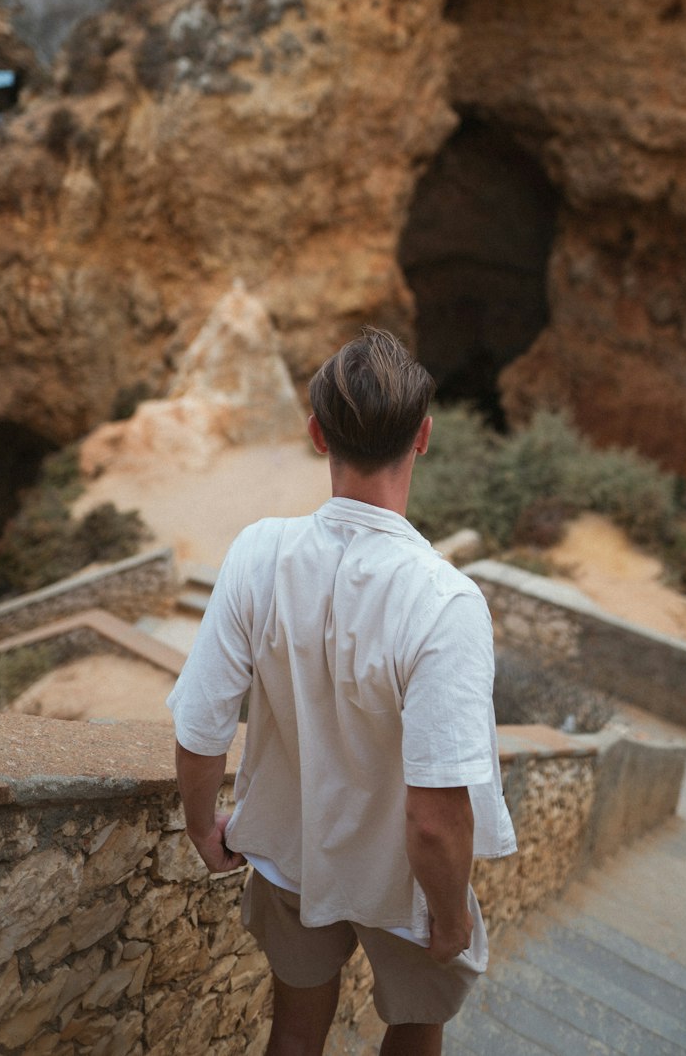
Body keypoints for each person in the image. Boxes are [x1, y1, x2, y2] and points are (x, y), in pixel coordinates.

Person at [168, 327, 516, 1056]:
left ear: (317, 434)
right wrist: (451, 919)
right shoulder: (444, 601)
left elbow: (201, 725)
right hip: (407, 887)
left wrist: (204, 827)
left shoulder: (259, 552)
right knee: (416, 1030)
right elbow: (433, 817)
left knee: (295, 1027)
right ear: (422, 436)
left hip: (289, 852)